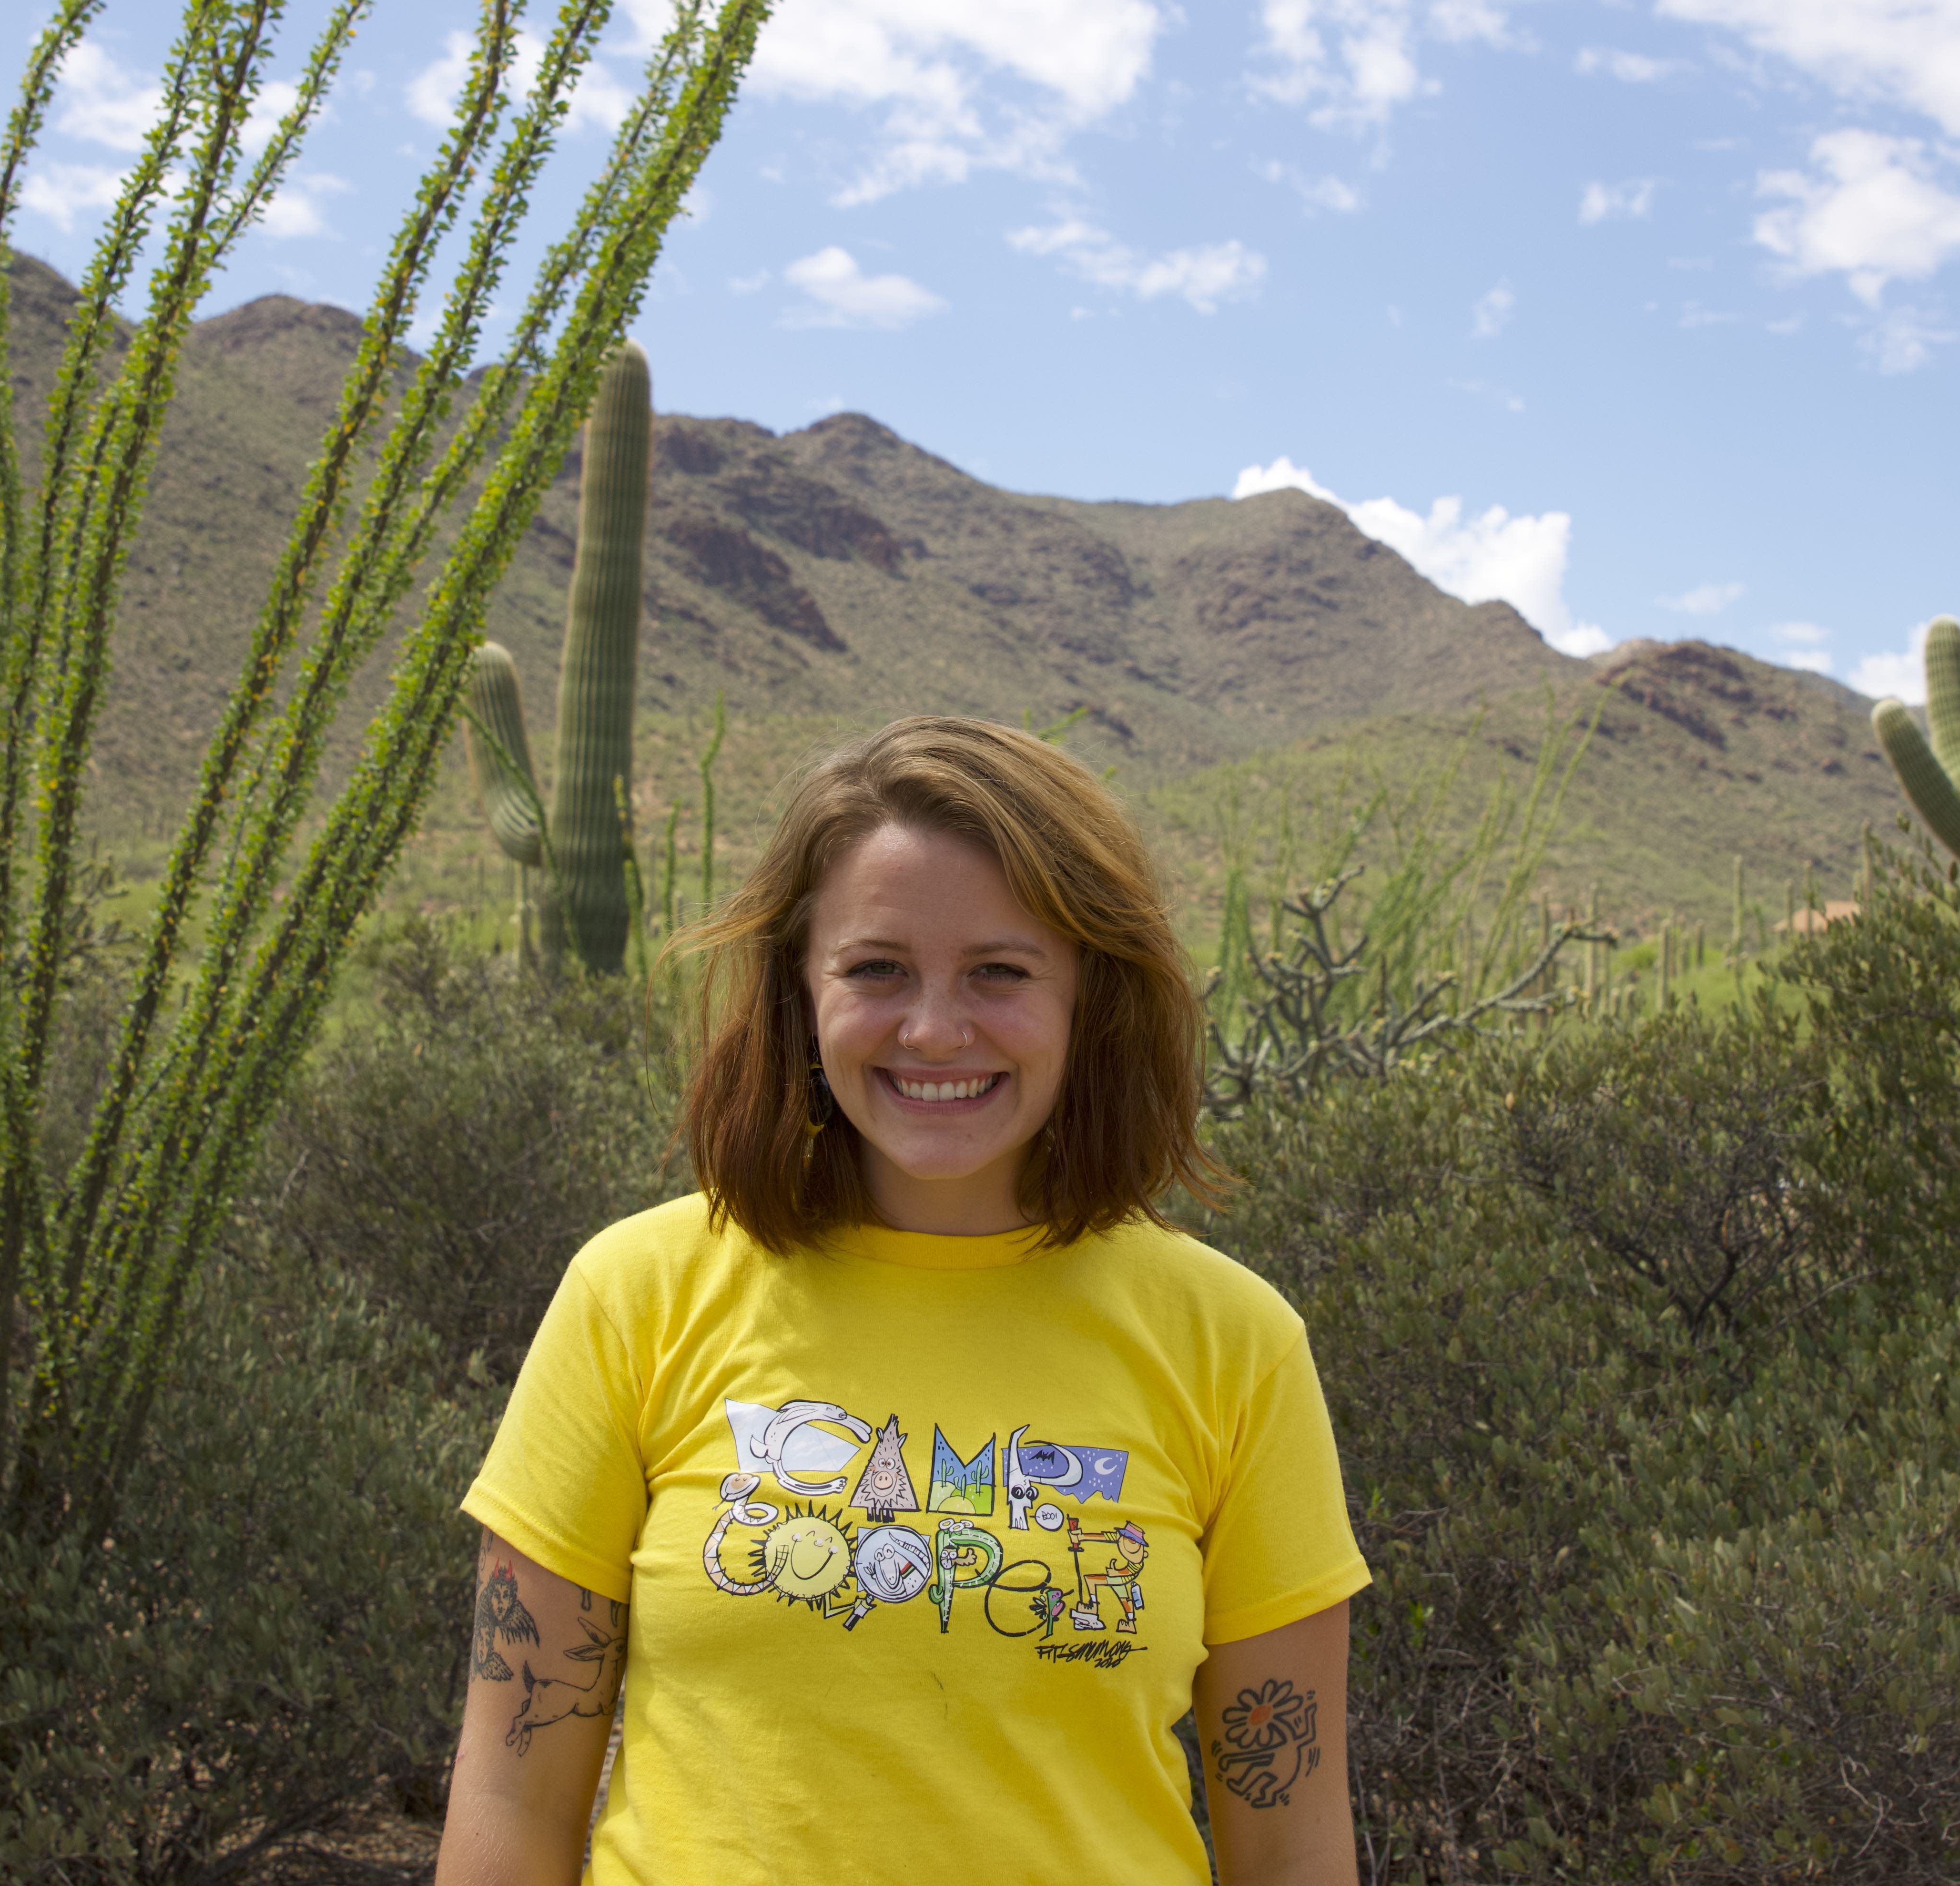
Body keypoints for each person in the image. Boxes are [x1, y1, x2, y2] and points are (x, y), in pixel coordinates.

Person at [433, 715, 1370, 1886]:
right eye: (878, 969)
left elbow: (1291, 1850)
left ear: (1091, 996)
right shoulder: (635, 1298)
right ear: (799, 992)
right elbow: (513, 1799)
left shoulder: (1233, 1342)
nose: (934, 1028)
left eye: (1000, 971)